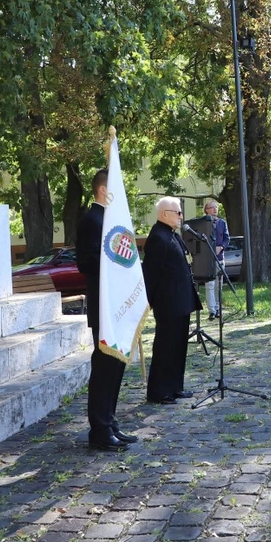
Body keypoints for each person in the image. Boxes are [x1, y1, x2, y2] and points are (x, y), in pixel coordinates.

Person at [75, 169, 137, 451]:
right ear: (103, 190)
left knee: (115, 365)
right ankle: (99, 430)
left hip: (116, 304)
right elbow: (85, 263)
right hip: (104, 304)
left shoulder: (111, 220)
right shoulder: (93, 219)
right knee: (103, 367)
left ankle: (110, 421)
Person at [144, 197, 201, 404]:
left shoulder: (172, 235)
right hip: (168, 302)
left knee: (178, 347)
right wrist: (150, 300)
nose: (181, 216)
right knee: (165, 347)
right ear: (164, 214)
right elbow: (151, 272)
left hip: (181, 300)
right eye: (177, 212)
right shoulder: (158, 237)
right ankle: (159, 391)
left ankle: (175, 386)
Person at [201, 198, 229, 319]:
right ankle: (212, 310)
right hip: (207, 259)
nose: (215, 209)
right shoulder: (202, 223)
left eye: (216, 207)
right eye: (212, 207)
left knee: (219, 285)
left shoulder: (222, 223)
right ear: (206, 210)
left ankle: (218, 308)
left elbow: (227, 238)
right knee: (210, 285)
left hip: (219, 258)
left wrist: (221, 247)